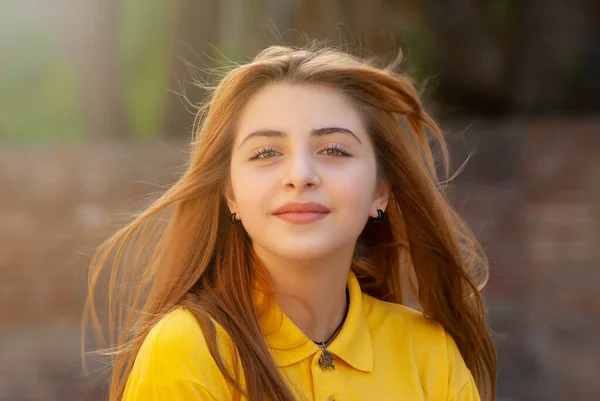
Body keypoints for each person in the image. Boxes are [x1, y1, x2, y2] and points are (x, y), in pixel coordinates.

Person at [83, 43, 497, 401]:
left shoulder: (428, 353)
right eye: (266, 153)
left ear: (380, 191)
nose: (300, 175)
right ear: (231, 194)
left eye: (334, 149)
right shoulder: (188, 349)